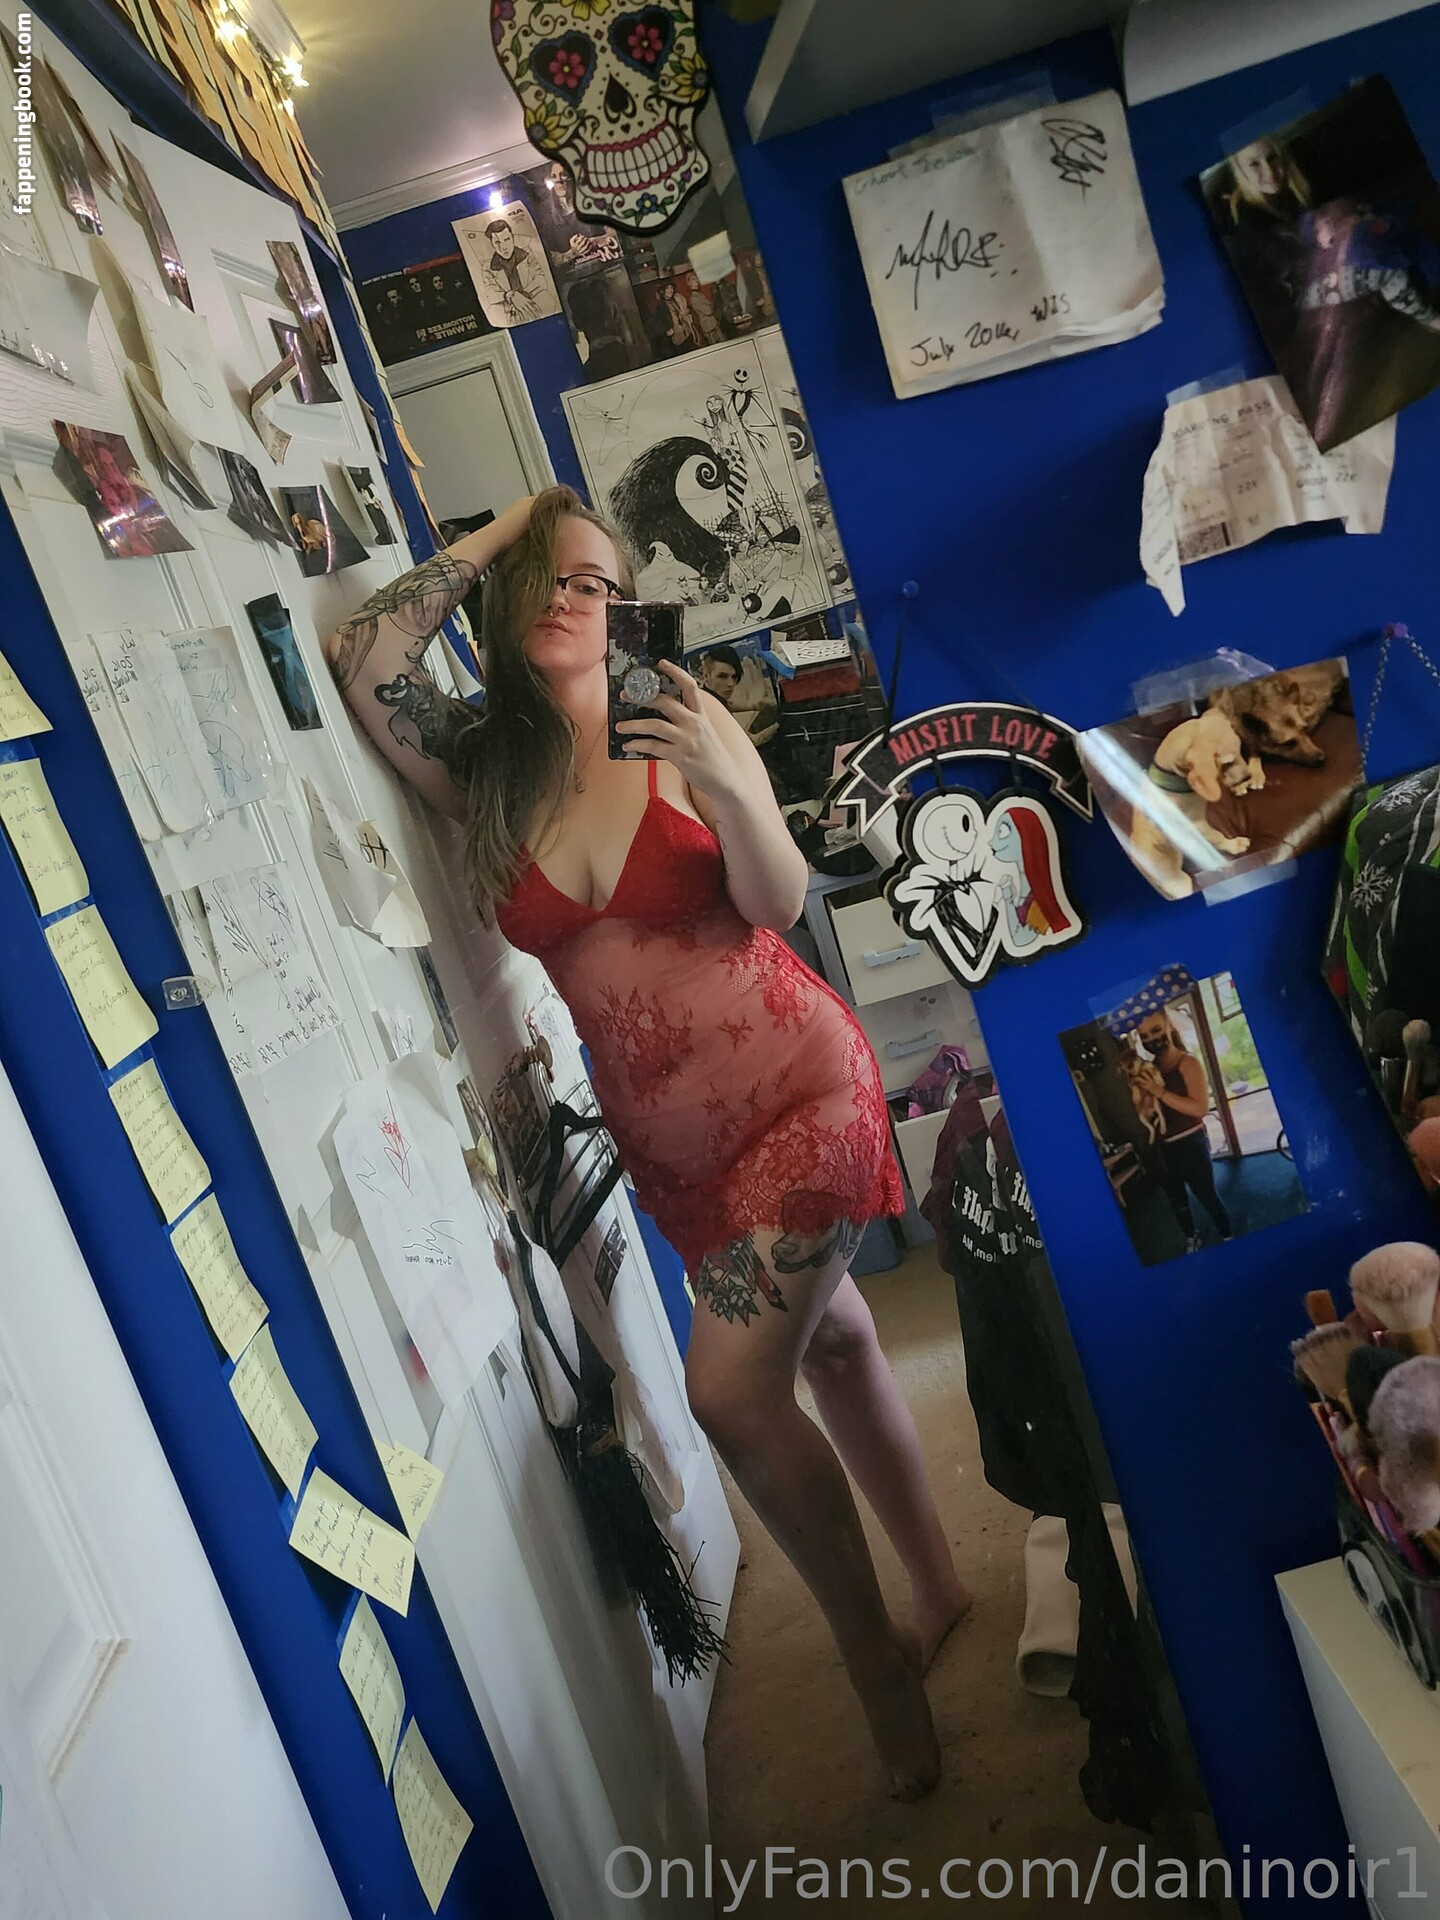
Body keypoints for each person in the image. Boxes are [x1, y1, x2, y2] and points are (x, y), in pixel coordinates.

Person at [322, 487, 969, 1798]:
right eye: (554, 578)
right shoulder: (484, 769)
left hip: (800, 1090)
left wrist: (731, 784)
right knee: (833, 1338)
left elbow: (776, 901)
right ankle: (941, 1585)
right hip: (678, 1160)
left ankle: (878, 1671)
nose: (578, 600)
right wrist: (510, 527)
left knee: (731, 1394)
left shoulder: (676, 723)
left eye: (600, 584)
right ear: (509, 597)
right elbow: (367, 653)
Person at [1133, 1008, 1233, 1252]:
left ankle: (1228, 1236)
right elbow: (1151, 1114)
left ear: (1169, 1025)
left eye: (1156, 1030)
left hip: (1191, 1142)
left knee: (1207, 1195)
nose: (1151, 1039)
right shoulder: (1149, 1069)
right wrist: (1144, 1101)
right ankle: (1191, 1238)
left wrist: (1159, 1092)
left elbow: (1199, 1108)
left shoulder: (1187, 1063)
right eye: (1144, 1035)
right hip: (1163, 1147)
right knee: (1176, 1201)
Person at [477, 218, 551, 325]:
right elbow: (490, 294)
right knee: (493, 311)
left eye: (507, 239)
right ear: (492, 244)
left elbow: (541, 279)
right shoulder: (488, 267)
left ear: (512, 237)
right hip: (509, 308)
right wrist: (510, 296)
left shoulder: (526, 254)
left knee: (546, 297)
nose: (504, 247)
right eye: (497, 242)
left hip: (531, 299)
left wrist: (522, 296)